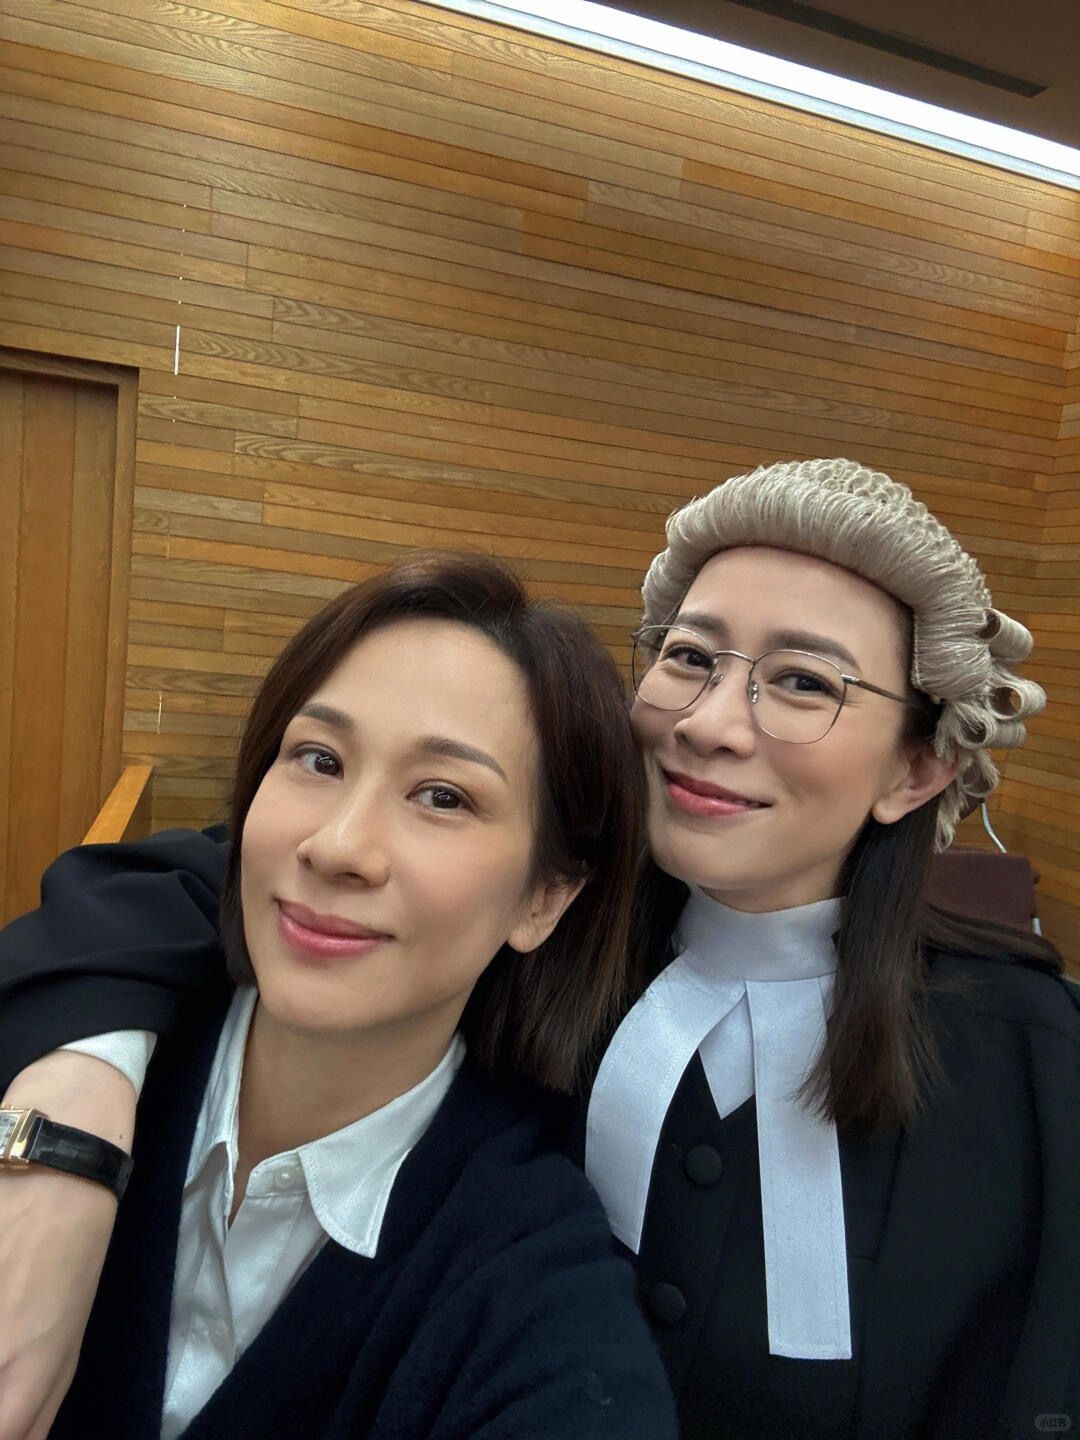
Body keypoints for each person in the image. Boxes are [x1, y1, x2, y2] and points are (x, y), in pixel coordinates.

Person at [2, 458, 1078, 1440]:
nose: (709, 722)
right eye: (689, 658)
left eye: (805, 681)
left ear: (918, 770)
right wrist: (71, 1117)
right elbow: (193, 879)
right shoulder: (514, 930)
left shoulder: (1033, 1063)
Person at [0, 553, 679, 1440]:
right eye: (318, 758)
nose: (338, 846)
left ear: (544, 899)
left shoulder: (532, 1282)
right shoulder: (65, 1034)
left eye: (443, 796)